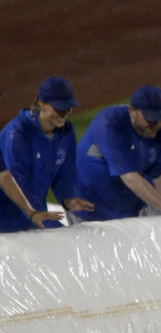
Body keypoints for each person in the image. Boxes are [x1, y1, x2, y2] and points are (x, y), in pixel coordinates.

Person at [72, 86, 161, 222]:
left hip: (126, 210)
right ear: (133, 111)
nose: (155, 124)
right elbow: (130, 177)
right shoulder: (111, 123)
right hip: (88, 208)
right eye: (150, 119)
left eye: (159, 118)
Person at [0, 76, 93, 232]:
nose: (64, 114)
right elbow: (19, 183)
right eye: (59, 109)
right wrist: (42, 220)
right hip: (8, 218)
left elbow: (65, 174)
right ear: (42, 103)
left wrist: (67, 199)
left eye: (68, 108)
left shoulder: (66, 132)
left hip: (36, 214)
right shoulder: (18, 134)